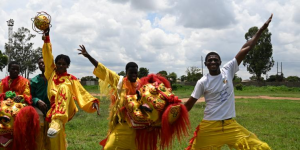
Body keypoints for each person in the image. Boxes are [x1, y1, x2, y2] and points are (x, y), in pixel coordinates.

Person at [184, 14, 273, 150]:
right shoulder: (202, 82)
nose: (213, 61)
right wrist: (169, 118)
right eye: (210, 60)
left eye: (215, 59)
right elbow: (189, 105)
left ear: (220, 62)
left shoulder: (228, 70)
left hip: (230, 126)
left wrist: (262, 29)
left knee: (261, 147)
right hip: (209, 127)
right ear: (205, 64)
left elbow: (246, 47)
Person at [78, 45, 190, 150]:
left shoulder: (142, 84)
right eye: (131, 73)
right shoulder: (119, 81)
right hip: (124, 126)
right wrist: (88, 56)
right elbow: (103, 70)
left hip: (141, 129)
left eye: (135, 73)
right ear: (126, 72)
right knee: (110, 147)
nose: (133, 75)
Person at [41, 29, 100, 150]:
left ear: (68, 66)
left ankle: (57, 122)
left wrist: (92, 102)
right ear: (55, 64)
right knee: (55, 137)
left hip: (68, 106)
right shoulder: (50, 73)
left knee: (63, 87)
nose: (61, 65)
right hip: (54, 107)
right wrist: (47, 37)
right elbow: (47, 56)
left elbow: (81, 93)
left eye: (64, 64)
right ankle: (57, 126)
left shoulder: (71, 79)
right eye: (59, 63)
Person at [30, 57, 51, 149]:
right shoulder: (35, 80)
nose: (41, 65)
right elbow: (30, 95)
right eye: (39, 63)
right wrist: (37, 101)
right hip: (39, 110)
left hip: (53, 109)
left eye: (43, 63)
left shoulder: (55, 78)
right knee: (39, 134)